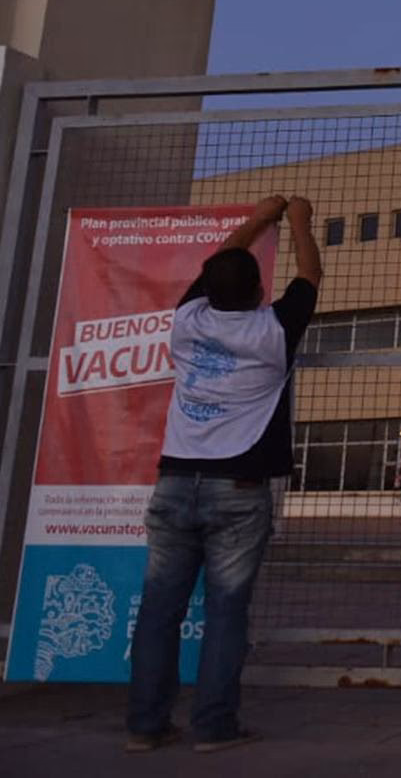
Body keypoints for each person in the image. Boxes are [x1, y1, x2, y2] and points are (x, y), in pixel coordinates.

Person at [126, 195, 321, 754]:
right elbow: (310, 274)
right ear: (261, 292)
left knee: (160, 608)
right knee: (226, 611)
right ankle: (213, 727)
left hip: (174, 483)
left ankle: (145, 725)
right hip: (238, 490)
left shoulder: (186, 321)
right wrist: (301, 221)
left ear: (207, 291)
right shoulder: (274, 332)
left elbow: (218, 263)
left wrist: (262, 217)